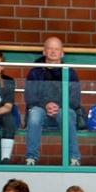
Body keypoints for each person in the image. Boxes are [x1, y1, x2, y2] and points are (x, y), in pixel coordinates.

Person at [25, 37, 83, 167]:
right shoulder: (35, 72)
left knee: (65, 114)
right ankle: (31, 158)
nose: (53, 52)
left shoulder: (70, 72)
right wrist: (45, 105)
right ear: (44, 52)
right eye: (50, 48)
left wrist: (59, 107)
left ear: (62, 53)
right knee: (34, 114)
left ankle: (74, 158)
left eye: (56, 49)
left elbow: (75, 100)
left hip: (64, 111)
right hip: (41, 112)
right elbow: (30, 97)